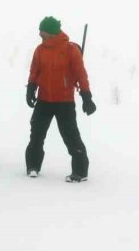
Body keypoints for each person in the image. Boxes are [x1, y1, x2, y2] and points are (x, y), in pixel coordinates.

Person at [25, 16, 96, 182]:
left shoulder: (71, 50)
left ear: (52, 33)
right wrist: (31, 89)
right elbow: (34, 71)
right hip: (44, 100)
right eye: (40, 33)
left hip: (64, 102)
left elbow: (81, 75)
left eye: (43, 33)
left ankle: (80, 171)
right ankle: (33, 166)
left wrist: (87, 97)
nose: (41, 36)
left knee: (70, 136)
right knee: (36, 134)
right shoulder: (40, 50)